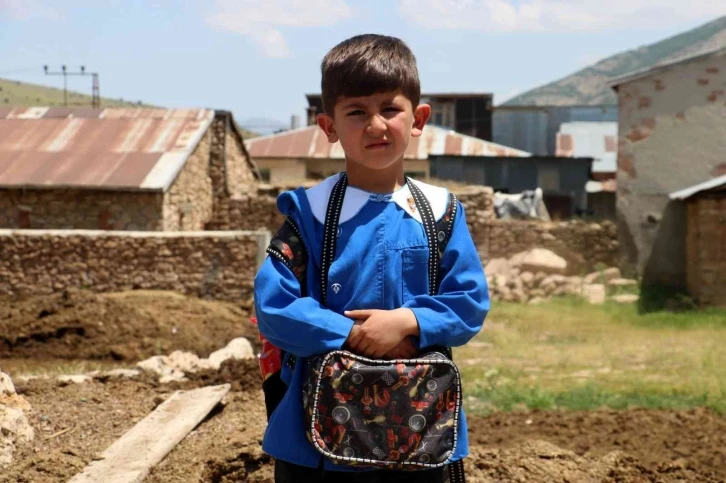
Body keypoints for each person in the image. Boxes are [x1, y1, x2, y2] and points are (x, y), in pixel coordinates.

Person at [254, 33, 489, 483]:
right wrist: (353, 334)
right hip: (319, 435)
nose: (376, 125)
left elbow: (469, 302)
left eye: (389, 109)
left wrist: (408, 322)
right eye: (357, 112)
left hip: (420, 428)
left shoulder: (441, 213)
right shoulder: (309, 215)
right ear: (329, 127)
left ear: (419, 118)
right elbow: (274, 307)